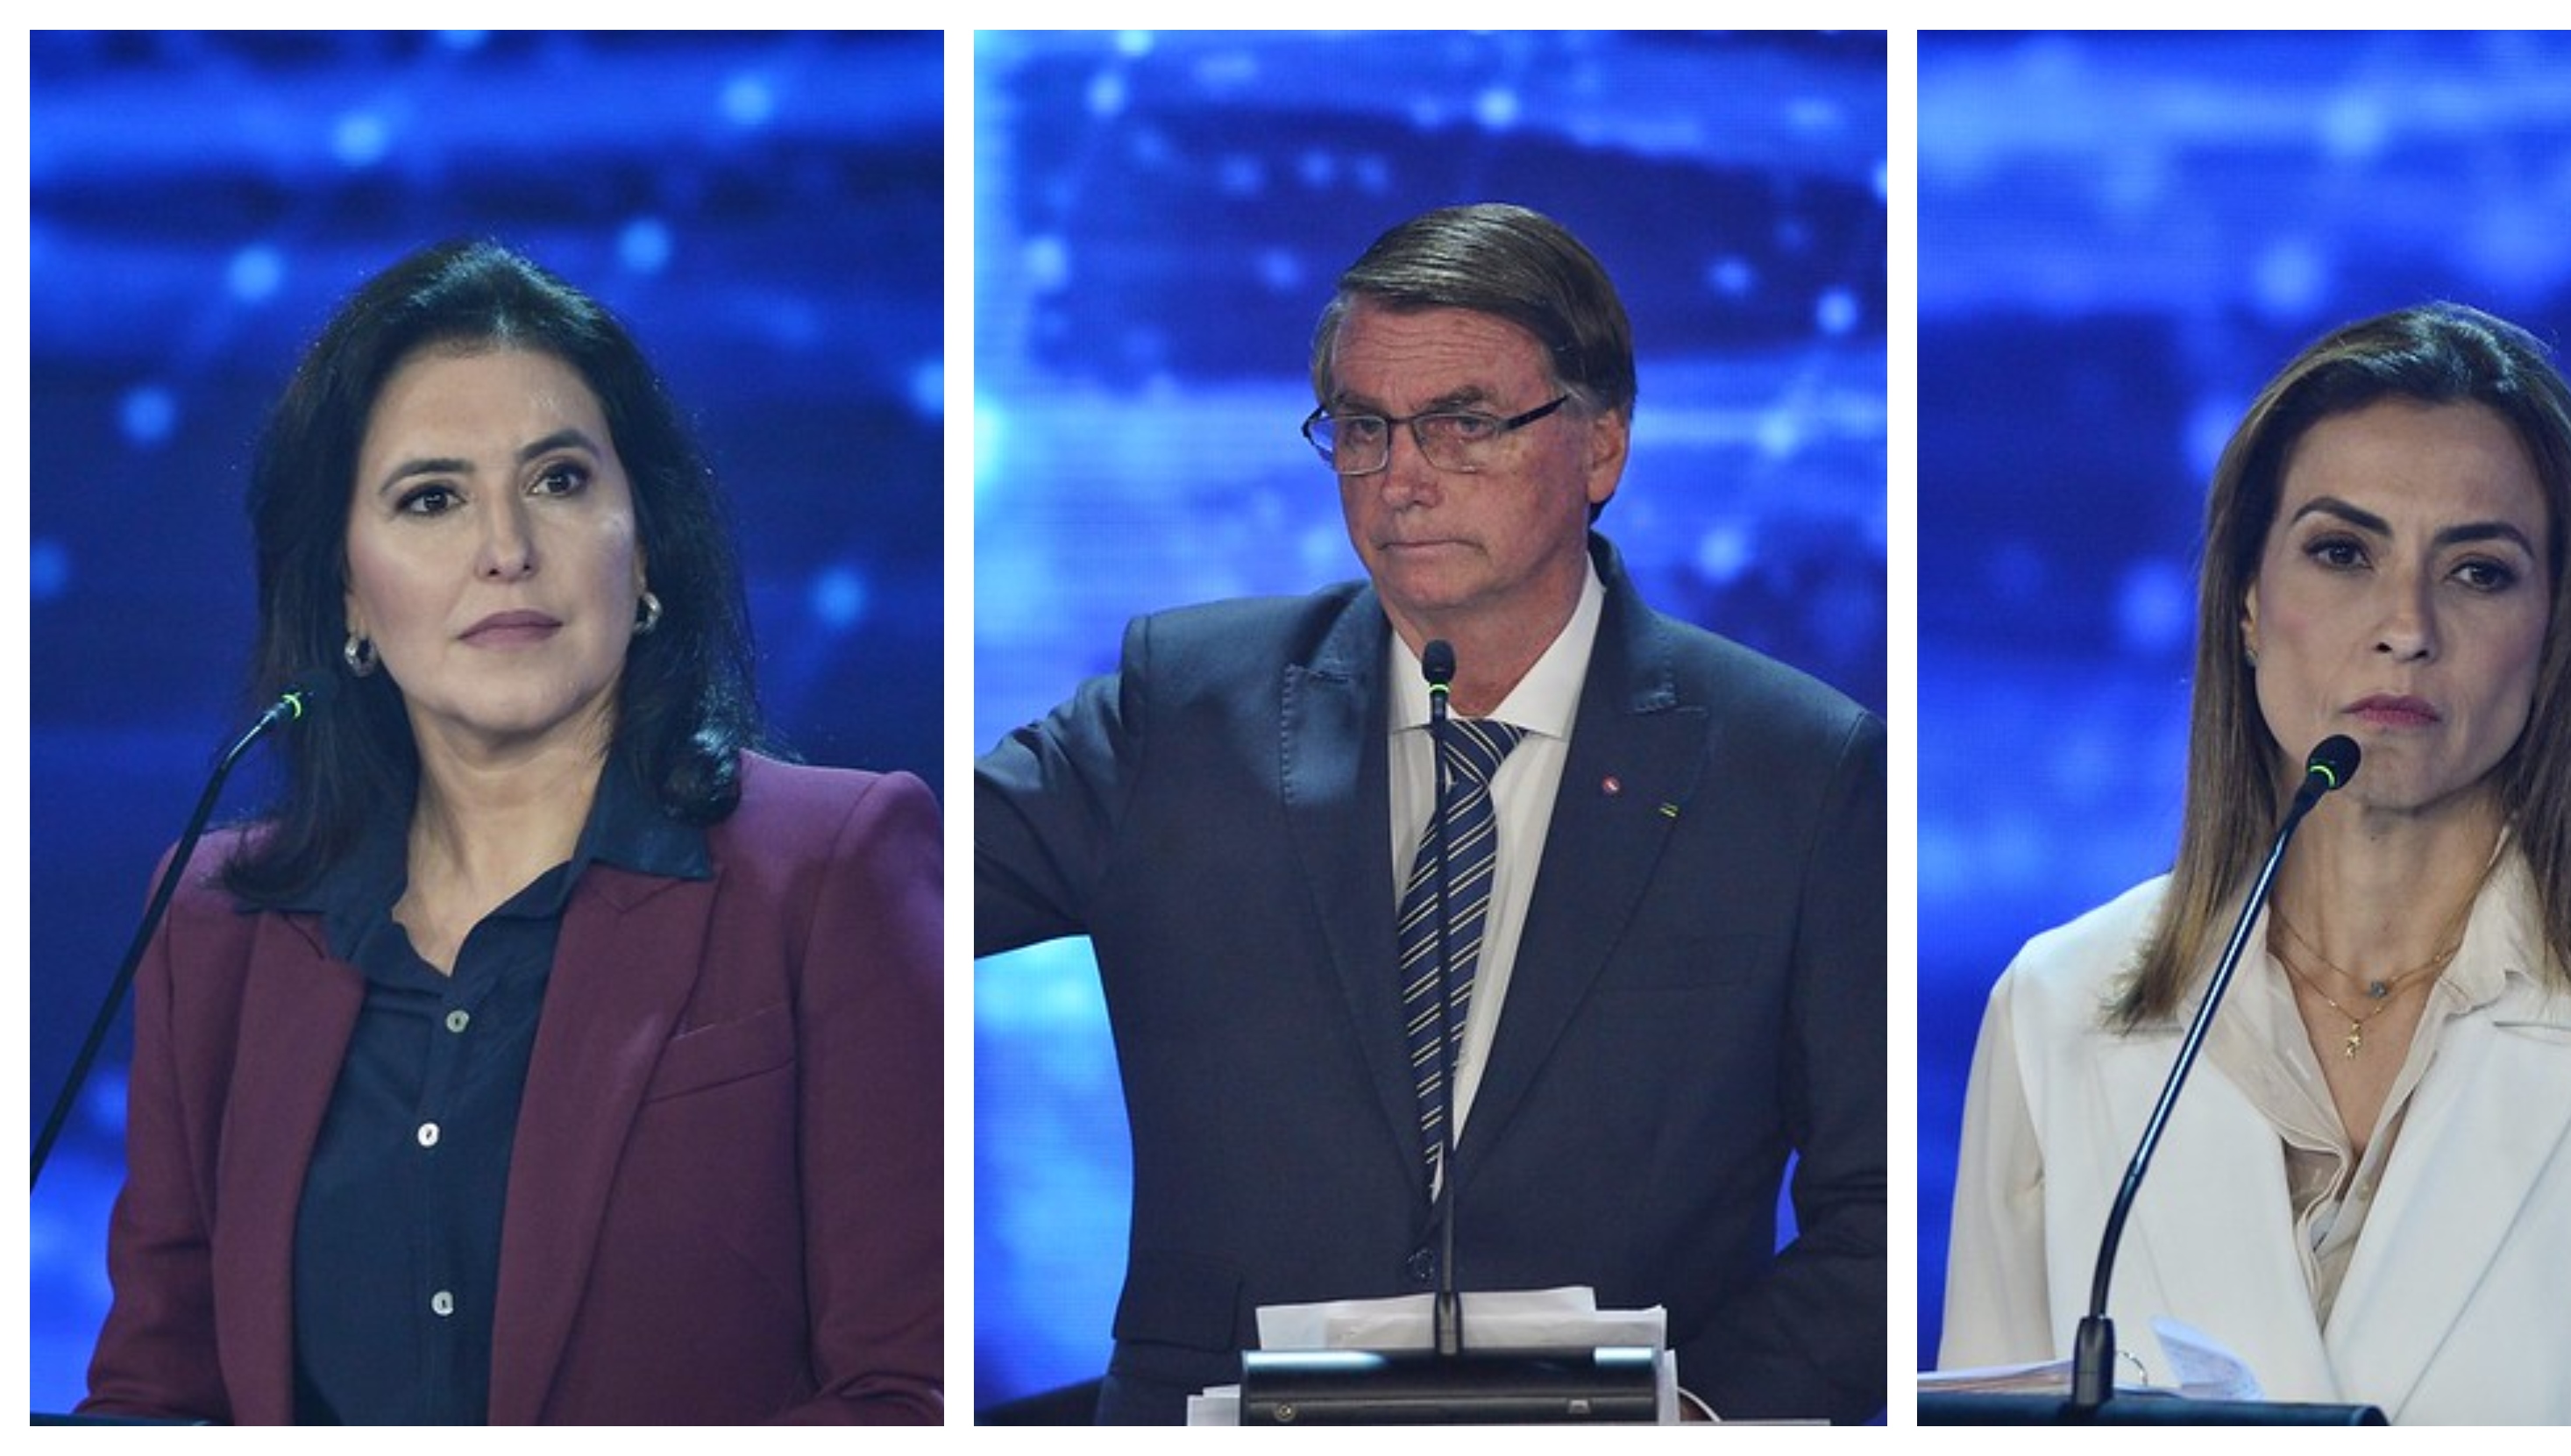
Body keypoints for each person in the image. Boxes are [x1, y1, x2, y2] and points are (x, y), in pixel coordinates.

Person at [975, 202, 1886, 1424]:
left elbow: (1873, 1220)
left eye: (1462, 423)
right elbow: (879, 888)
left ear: (1602, 445)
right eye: (1363, 428)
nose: (1401, 479)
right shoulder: (1182, 712)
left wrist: (1690, 1419)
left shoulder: (1796, 769)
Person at [79, 239, 945, 1424]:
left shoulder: (833, 866)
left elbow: (907, 1393)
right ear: (346, 595)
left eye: (558, 481)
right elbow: (156, 1394)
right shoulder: (216, 920)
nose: (506, 548)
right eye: (432, 499)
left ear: (644, 548)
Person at [1938, 302, 2571, 1424]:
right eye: (2342, 552)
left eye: (2479, 572)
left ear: (2560, 627)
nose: (2404, 625)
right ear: (2251, 605)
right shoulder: (2056, 1013)